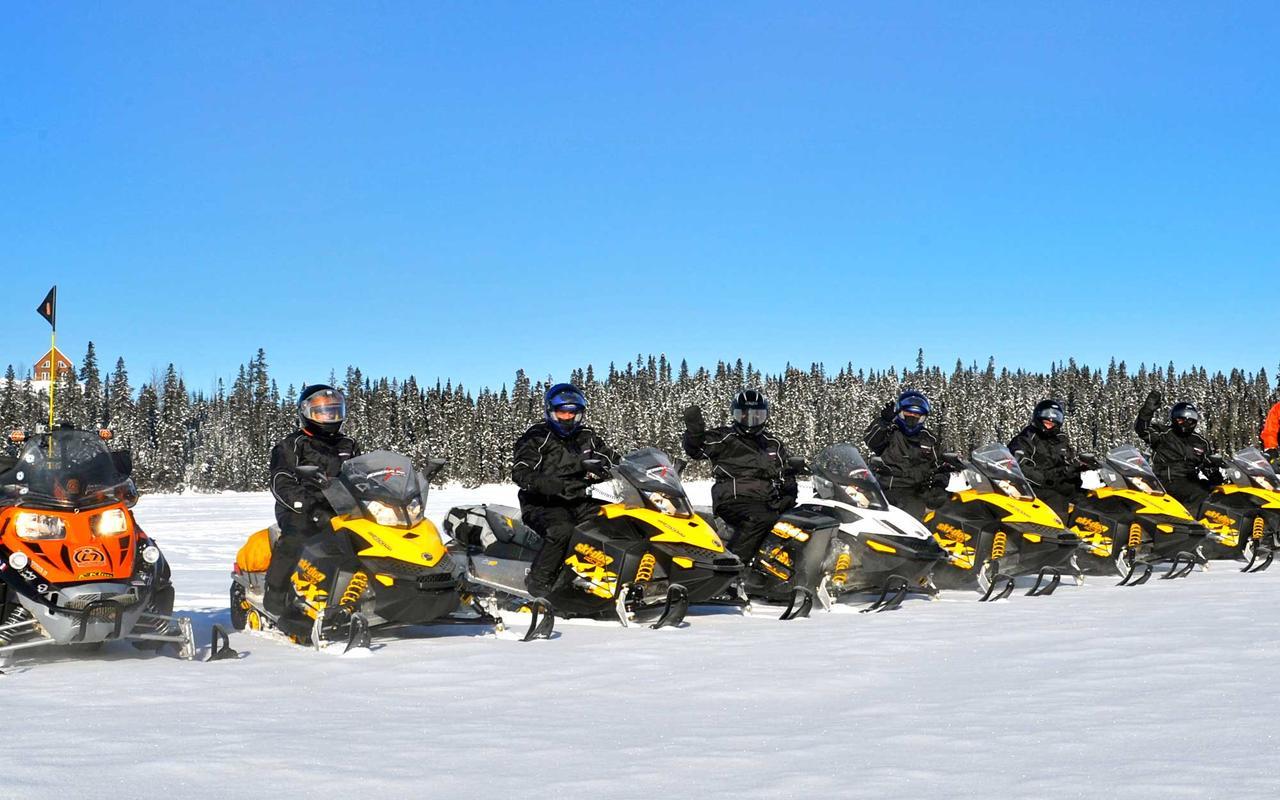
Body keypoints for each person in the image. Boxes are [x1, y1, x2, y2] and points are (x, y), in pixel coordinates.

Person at [512, 383, 619, 599]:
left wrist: (629, 469)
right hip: (543, 503)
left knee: (618, 518)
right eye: (562, 412)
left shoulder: (587, 436)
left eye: (573, 413)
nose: (568, 417)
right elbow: (521, 470)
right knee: (562, 530)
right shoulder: (537, 437)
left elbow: (612, 458)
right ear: (551, 412)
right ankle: (538, 582)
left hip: (578, 500)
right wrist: (544, 483)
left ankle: (612, 575)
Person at [264, 384, 361, 619]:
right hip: (300, 508)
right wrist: (308, 505)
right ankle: (275, 595)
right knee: (296, 535)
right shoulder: (293, 444)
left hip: (342, 507)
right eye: (323, 412)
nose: (329, 417)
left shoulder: (347, 444)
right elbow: (281, 480)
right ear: (306, 413)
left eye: (334, 411)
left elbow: (361, 474)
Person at [681, 389, 798, 566]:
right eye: (744, 416)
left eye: (756, 416)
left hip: (766, 501)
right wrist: (695, 431)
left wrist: (789, 495)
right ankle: (729, 569)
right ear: (735, 415)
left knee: (799, 521)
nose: (750, 421)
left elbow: (785, 472)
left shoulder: (773, 443)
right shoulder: (724, 438)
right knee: (759, 518)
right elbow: (697, 449)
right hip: (733, 499)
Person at [863, 389, 950, 518]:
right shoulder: (890, 432)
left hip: (918, 492)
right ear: (899, 413)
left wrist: (939, 486)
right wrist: (883, 422)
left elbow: (942, 466)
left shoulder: (930, 439)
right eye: (907, 414)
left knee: (952, 508)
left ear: (923, 418)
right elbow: (871, 440)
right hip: (887, 490)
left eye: (917, 417)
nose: (912, 419)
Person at [1134, 389, 1223, 509]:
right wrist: (1147, 410)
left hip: (1190, 479)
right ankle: (1193, 524)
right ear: (1174, 418)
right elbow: (1142, 429)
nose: (1185, 423)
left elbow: (1206, 464)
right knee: (1199, 493)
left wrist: (1215, 475)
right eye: (1181, 419)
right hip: (1166, 479)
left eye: (1190, 419)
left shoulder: (1200, 442)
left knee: (1217, 492)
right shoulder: (1163, 434)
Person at [1007, 399, 1088, 519]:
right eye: (1047, 421)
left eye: (1054, 422)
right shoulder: (1025, 439)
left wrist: (1078, 467)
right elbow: (1020, 467)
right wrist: (1048, 478)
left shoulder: (1060, 440)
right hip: (1034, 487)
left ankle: (1093, 531)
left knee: (1087, 497)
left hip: (1060, 485)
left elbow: (1068, 463)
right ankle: (1059, 535)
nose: (1050, 423)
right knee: (1056, 499)